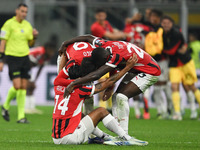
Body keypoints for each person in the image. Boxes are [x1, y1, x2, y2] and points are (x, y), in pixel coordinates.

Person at [60, 35, 161, 133]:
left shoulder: (115, 57)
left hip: (150, 71)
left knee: (121, 97)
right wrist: (65, 43)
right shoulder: (103, 44)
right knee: (115, 97)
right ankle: (120, 132)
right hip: (135, 69)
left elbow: (96, 75)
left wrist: (73, 83)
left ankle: (124, 134)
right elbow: (88, 37)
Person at [52, 53, 148, 146]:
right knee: (101, 111)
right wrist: (127, 67)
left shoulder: (58, 85)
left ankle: (105, 137)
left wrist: (65, 55)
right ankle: (126, 138)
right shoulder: (80, 89)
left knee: (80, 115)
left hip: (56, 138)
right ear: (80, 78)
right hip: (70, 138)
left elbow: (61, 70)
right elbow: (108, 82)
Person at [0, 3, 38, 123]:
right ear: (17, 11)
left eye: (26, 12)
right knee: (17, 86)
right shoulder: (9, 24)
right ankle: (5, 105)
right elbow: (3, 42)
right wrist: (1, 60)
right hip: (12, 58)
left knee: (23, 87)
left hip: (25, 57)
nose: (24, 14)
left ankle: (21, 117)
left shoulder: (27, 25)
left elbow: (31, 44)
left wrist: (34, 37)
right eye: (22, 11)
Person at [161, 15, 200, 120]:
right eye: (164, 23)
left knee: (191, 86)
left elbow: (171, 51)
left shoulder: (176, 33)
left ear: (172, 24)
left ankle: (193, 110)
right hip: (174, 64)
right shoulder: (163, 34)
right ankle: (177, 113)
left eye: (168, 23)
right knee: (174, 87)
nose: (166, 25)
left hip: (185, 62)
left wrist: (162, 49)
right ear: (162, 24)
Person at [25, 42, 56, 114]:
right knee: (28, 86)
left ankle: (31, 108)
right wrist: (30, 77)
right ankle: (26, 108)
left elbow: (40, 68)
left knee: (32, 87)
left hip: (29, 68)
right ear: (47, 49)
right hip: (24, 65)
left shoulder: (46, 56)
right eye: (51, 51)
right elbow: (28, 59)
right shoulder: (41, 52)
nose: (52, 53)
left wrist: (35, 80)